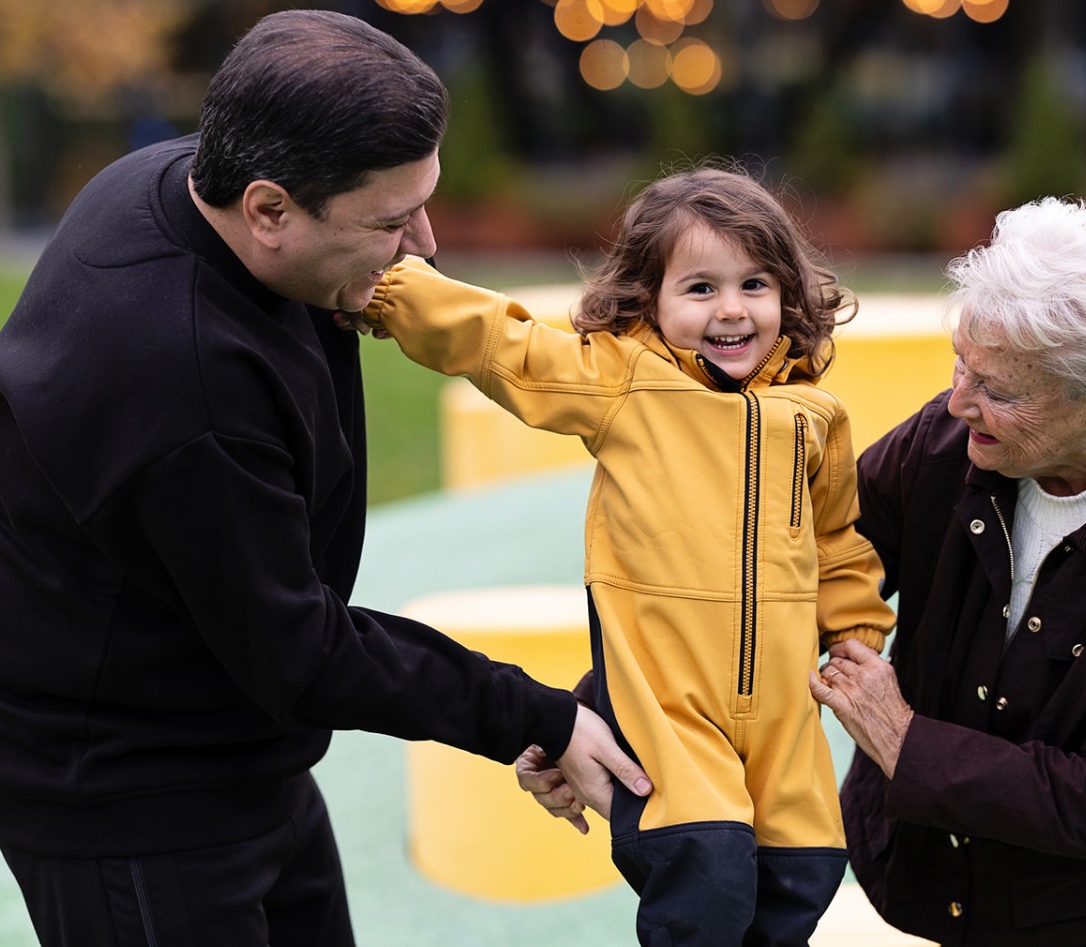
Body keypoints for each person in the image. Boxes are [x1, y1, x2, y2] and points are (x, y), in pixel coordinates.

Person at [0, 10, 648, 947]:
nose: (427, 244)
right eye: (392, 221)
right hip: (124, 795)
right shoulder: (180, 384)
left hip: (238, 738)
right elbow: (302, 651)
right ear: (270, 210)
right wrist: (538, 716)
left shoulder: (180, 181)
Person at [525, 196, 1086, 945]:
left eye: (996, 389)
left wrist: (904, 740)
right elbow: (779, 578)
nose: (958, 400)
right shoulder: (949, 441)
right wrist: (594, 716)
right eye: (960, 364)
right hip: (1007, 861)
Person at [355, 165, 897, 946]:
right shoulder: (625, 385)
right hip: (670, 710)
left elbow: (838, 538)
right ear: (649, 302)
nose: (733, 310)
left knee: (804, 868)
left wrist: (855, 631)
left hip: (781, 714)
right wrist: (396, 289)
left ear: (790, 295)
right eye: (700, 288)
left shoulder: (814, 417)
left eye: (755, 284)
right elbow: (504, 345)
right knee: (704, 870)